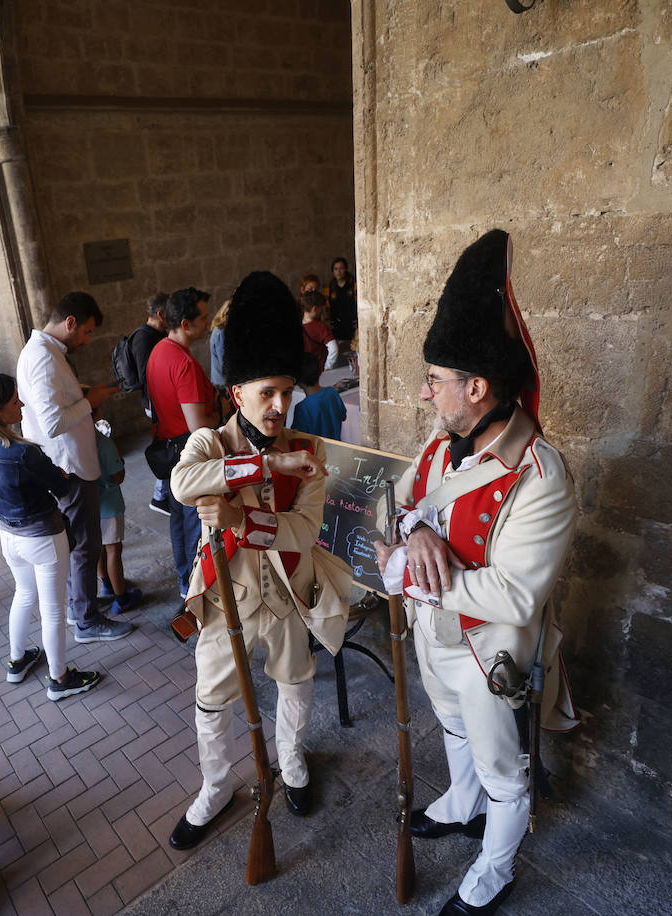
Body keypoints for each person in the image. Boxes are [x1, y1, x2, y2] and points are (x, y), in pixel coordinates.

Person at [372, 230, 577, 916]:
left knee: (504, 772)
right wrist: (417, 528)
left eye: (435, 381)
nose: (426, 394)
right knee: (451, 730)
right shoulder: (439, 450)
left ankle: (497, 867)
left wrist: (406, 567)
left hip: (491, 654)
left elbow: (515, 594)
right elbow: (392, 500)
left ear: (478, 387)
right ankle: (461, 807)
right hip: (434, 638)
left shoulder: (541, 478)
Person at [167, 271, 343, 851]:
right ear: (237, 392)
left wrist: (241, 519)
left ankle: (291, 762)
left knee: (296, 683)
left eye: (287, 392)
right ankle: (216, 787)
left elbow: (303, 532)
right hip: (226, 603)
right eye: (266, 392)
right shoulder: (209, 445)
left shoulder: (309, 450)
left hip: (290, 594)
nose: (280, 405)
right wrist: (264, 468)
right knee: (212, 702)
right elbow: (182, 482)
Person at [0, 374, 103, 701]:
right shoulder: (22, 453)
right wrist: (59, 477)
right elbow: (63, 486)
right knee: (52, 609)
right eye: (14, 401)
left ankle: (18, 660)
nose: (21, 404)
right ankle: (60, 679)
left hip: (8, 534)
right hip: (43, 537)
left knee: (24, 594)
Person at [16, 291, 132, 643]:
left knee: (80, 543)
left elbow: (55, 401)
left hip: (69, 461)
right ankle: (86, 620)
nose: (87, 339)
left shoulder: (48, 352)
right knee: (85, 545)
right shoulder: (42, 358)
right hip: (69, 465)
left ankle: (78, 607)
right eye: (86, 332)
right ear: (70, 323)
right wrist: (90, 401)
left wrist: (82, 395)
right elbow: (51, 422)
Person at [145, 286, 216, 601]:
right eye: (203, 318)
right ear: (185, 324)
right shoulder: (184, 364)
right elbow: (198, 427)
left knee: (178, 521)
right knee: (192, 523)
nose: (209, 322)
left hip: (168, 447)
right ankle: (192, 588)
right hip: (188, 452)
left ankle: (183, 580)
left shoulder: (159, 349)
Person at [126, 292, 170, 517]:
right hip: (155, 403)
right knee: (164, 448)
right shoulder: (144, 338)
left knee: (167, 445)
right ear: (161, 314)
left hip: (161, 402)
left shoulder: (157, 335)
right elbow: (147, 376)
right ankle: (160, 496)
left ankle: (163, 494)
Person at [94, 412, 141, 613]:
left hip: (90, 504)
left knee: (98, 548)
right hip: (109, 505)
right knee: (114, 550)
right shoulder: (104, 443)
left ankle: (106, 585)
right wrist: (119, 460)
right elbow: (117, 477)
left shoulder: (76, 440)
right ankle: (121, 598)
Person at [290, 352, 347, 441]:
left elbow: (297, 437)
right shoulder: (332, 392)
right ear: (319, 372)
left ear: (298, 381)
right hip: (336, 449)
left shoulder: (302, 408)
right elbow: (343, 416)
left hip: (315, 453)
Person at [323, 257, 358, 369]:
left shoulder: (354, 285)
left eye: (341, 268)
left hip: (352, 324)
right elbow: (326, 308)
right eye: (335, 269)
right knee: (338, 354)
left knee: (353, 351)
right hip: (336, 326)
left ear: (346, 269)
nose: (339, 271)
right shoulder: (329, 288)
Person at [300, 289, 337, 371]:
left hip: (304, 371)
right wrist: (327, 366)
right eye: (321, 309)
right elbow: (334, 349)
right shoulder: (320, 326)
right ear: (315, 309)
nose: (322, 312)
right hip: (319, 371)